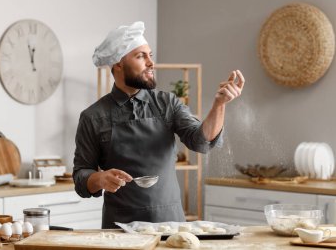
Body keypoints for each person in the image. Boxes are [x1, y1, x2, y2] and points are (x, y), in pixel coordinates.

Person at [73, 21, 245, 229]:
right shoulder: (93, 116)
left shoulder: (167, 103)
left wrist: (219, 104)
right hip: (120, 230)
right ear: (118, 64)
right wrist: (100, 179)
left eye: (150, 55)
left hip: (171, 225)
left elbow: (201, 142)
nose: (151, 63)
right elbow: (81, 176)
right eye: (140, 56)